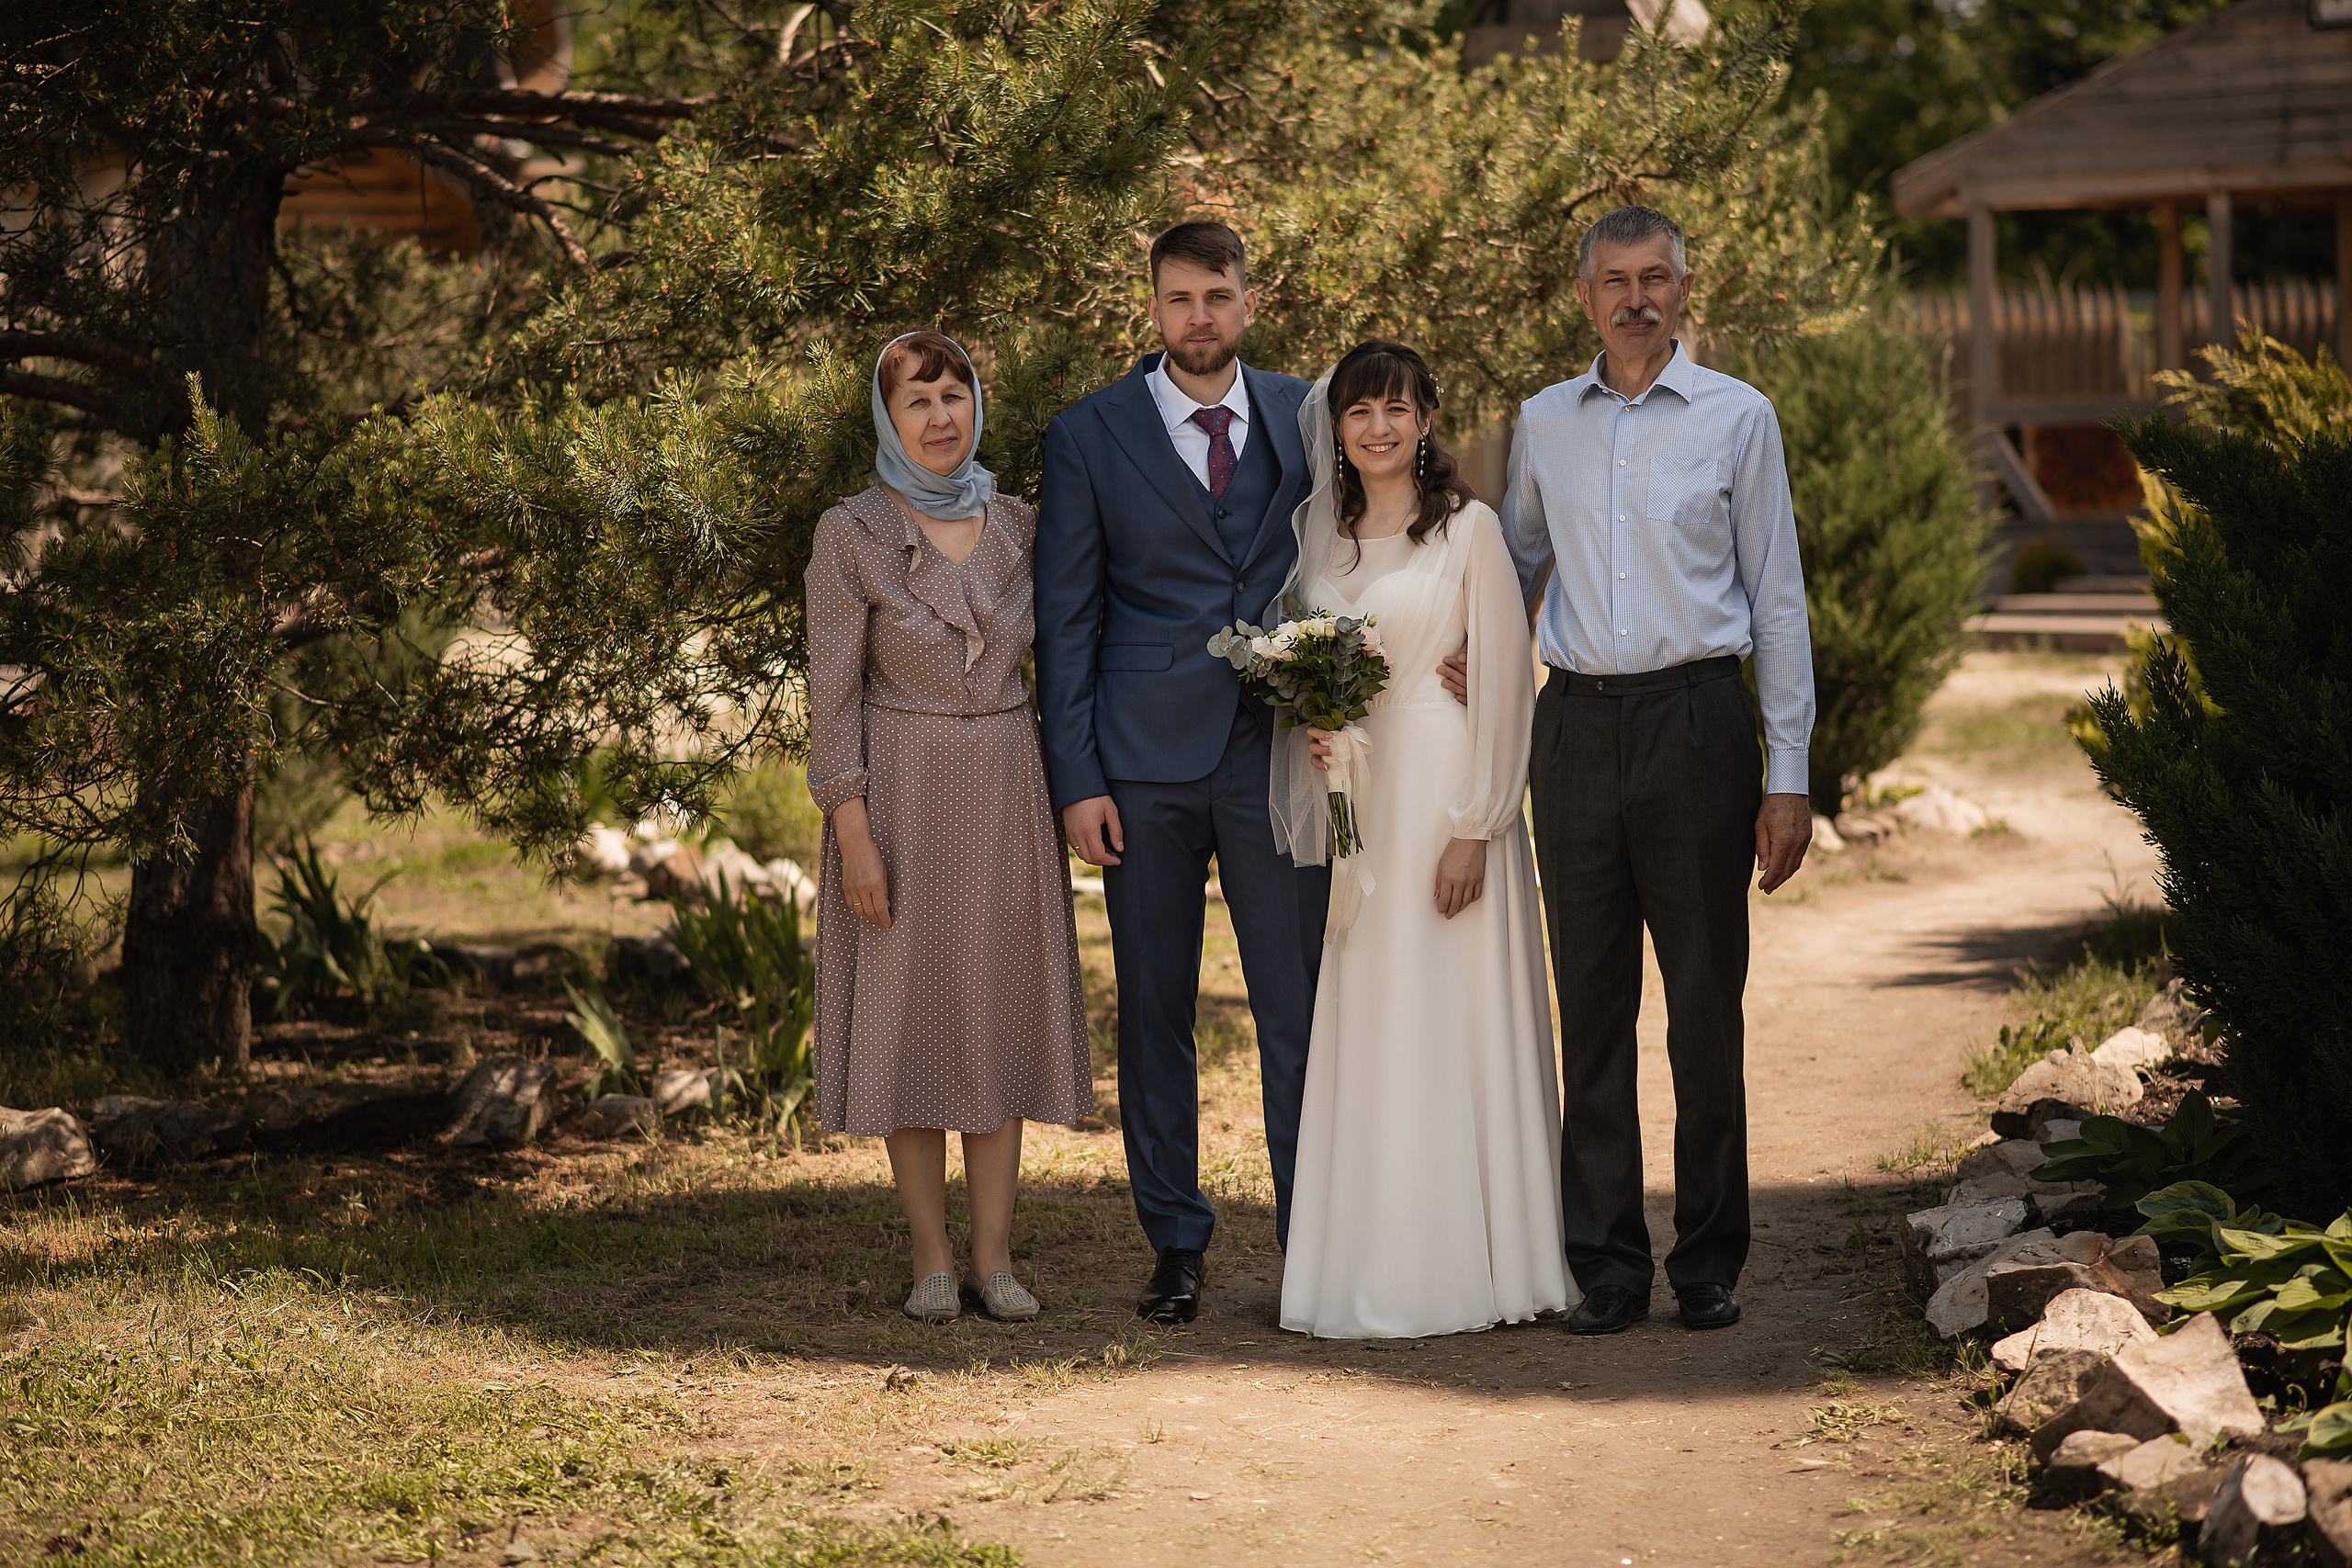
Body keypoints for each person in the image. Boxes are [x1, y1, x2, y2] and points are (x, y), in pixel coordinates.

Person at [1498, 205, 1815, 1337]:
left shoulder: (1739, 418)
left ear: (1685, 289)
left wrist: (1788, 775)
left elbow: (1775, 598)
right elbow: (1509, 566)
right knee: (1587, 1009)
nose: (1636, 298)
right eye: (1614, 281)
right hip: (1575, 731)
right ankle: (1607, 1265)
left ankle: (1708, 1261)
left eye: (1655, 279)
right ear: (1583, 297)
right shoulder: (1542, 423)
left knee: (1700, 1010)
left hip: (1696, 729)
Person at [1033, 221, 1326, 1325]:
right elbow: (1065, 620)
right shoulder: (1087, 434)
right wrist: (1077, 779)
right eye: (1178, 298)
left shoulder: (1309, 414)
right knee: (1154, 1010)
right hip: (1139, 771)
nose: (1198, 316)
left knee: (1295, 1009)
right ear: (1151, 307)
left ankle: (1315, 1239)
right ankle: (1176, 1241)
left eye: (1217, 295)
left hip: (1280, 754)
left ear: (1249, 301)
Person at [1277, 342, 1575, 1338]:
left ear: (1426, 420)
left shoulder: (1471, 532)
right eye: (1359, 412)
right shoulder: (1321, 539)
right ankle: (1371, 1259)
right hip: (1365, 797)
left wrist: (1477, 827)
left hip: (1445, 790)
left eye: (1396, 409)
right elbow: (1310, 668)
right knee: (1378, 1021)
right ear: (1339, 428)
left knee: (1456, 1016)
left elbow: (1503, 688)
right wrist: (1318, 728)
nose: (1377, 428)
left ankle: (1486, 1261)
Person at [805, 330, 1093, 1325]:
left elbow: (1066, 659)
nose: (940, 418)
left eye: (955, 396)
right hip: (901, 793)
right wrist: (852, 834)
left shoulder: (1018, 523)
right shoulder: (851, 533)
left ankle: (995, 1257)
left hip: (1007, 781)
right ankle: (931, 1255)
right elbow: (831, 696)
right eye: (917, 401)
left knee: (997, 1015)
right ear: (887, 419)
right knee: (913, 1019)